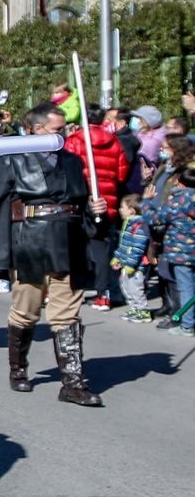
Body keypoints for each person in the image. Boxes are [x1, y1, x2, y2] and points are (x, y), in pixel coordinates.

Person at [0, 103, 110, 406]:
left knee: (67, 312)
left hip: (69, 241)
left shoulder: (73, 161)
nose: (64, 134)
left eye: (65, 128)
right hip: (29, 241)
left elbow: (82, 202)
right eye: (57, 129)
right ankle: (18, 369)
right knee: (26, 309)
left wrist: (94, 211)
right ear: (37, 129)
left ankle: (73, 383)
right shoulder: (13, 160)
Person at [64, 104, 129, 311]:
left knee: (75, 245)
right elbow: (121, 173)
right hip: (105, 199)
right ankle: (104, 293)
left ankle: (75, 289)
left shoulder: (74, 141)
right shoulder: (115, 142)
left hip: (81, 199)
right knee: (102, 248)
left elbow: (66, 170)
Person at [142, 160, 195, 337]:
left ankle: (188, 325)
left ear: (180, 183)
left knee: (186, 288)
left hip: (182, 253)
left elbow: (154, 219)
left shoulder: (177, 201)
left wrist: (147, 202)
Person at [111, 194, 151, 322]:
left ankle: (143, 311)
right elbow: (123, 245)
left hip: (136, 266)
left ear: (132, 210)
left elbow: (138, 248)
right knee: (126, 286)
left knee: (136, 288)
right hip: (126, 264)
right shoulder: (128, 224)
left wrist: (131, 265)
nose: (120, 210)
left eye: (123, 207)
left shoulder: (139, 226)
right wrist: (117, 258)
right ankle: (134, 308)